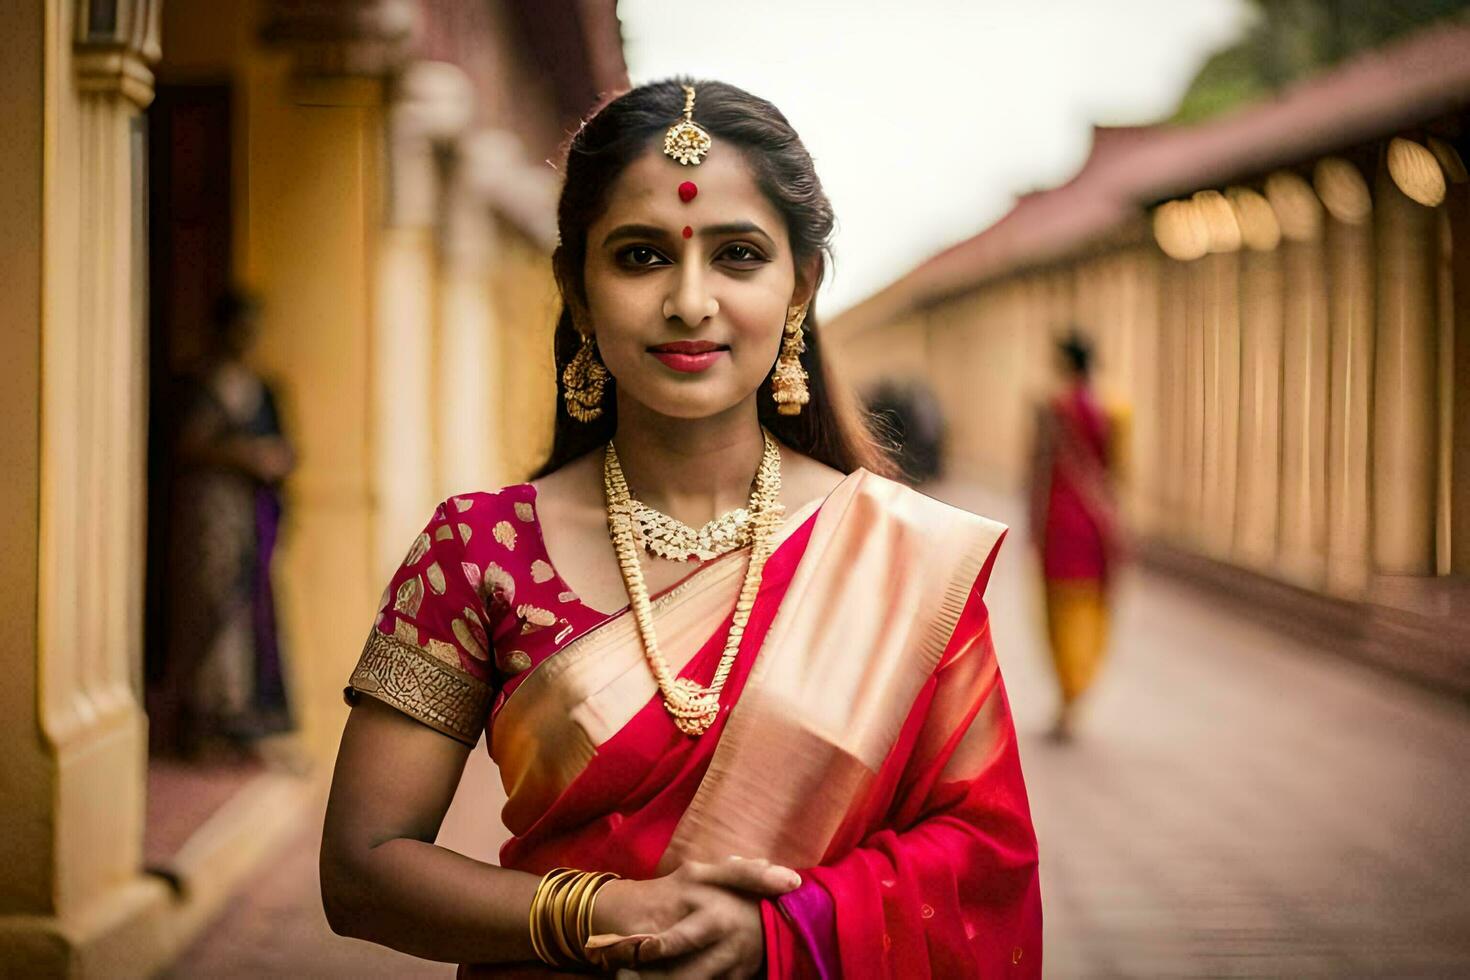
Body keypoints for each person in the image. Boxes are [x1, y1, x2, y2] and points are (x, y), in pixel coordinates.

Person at [321, 79, 1041, 978]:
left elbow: (983, 859)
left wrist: (787, 932)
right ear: (576, 290)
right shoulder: (480, 552)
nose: (691, 301)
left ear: (800, 286)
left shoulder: (901, 558)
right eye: (640, 256)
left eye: (739, 255)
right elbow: (361, 871)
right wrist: (610, 911)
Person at [158, 288, 295, 756]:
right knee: (207, 605)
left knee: (249, 608)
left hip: (252, 515)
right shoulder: (198, 385)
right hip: (208, 513)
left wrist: (273, 461)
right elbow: (184, 446)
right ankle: (201, 719)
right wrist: (240, 455)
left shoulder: (262, 388)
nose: (246, 337)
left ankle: (240, 718)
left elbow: (285, 448)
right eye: (238, 326)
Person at [1027, 331, 1125, 742]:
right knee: (1091, 611)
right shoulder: (1116, 409)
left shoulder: (1052, 409)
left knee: (1060, 613)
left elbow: (1039, 470)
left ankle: (1067, 699)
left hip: (1060, 524)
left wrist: (1035, 522)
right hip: (1097, 525)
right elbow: (1118, 474)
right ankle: (1078, 690)